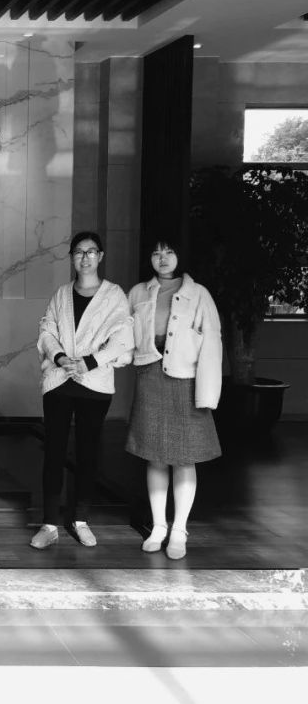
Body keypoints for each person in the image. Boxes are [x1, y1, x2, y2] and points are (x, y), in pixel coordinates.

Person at [32, 231, 134, 550]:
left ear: (100, 256)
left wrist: (90, 362)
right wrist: (61, 357)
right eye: (79, 252)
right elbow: (47, 329)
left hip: (95, 383)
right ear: (72, 258)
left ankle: (80, 520)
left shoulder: (114, 296)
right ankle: (49, 523)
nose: (85, 257)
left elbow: (123, 337)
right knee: (54, 450)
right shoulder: (61, 294)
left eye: (91, 252)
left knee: (88, 451)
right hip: (59, 381)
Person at [126, 238, 222, 560]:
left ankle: (179, 530)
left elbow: (212, 343)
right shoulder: (137, 293)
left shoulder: (199, 293)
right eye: (156, 252)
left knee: (184, 457)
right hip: (149, 377)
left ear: (180, 255)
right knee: (154, 456)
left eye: (169, 251)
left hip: (186, 380)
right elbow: (123, 335)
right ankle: (158, 527)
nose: (162, 258)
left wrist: (207, 393)